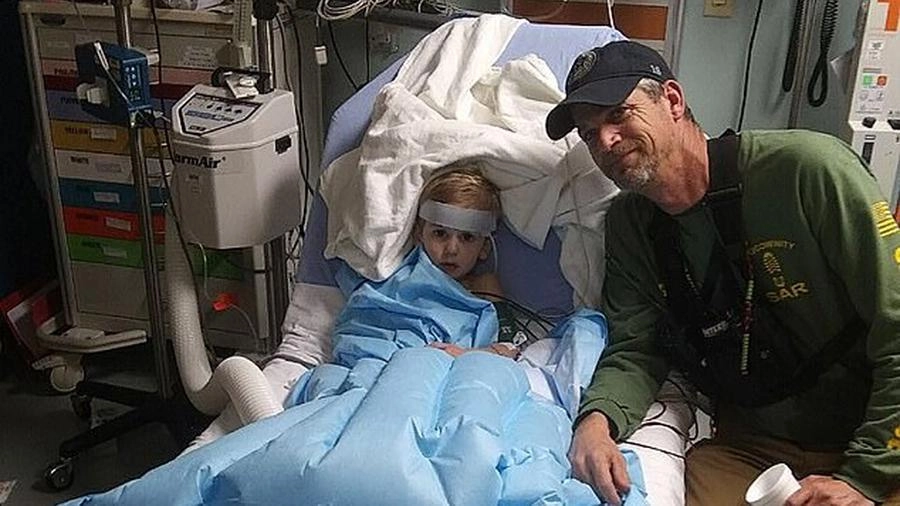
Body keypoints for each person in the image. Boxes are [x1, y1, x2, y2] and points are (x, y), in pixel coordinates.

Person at [544, 40, 900, 506]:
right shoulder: (630, 225)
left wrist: (864, 478)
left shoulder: (808, 171)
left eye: (619, 114)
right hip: (750, 448)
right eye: (590, 134)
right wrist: (597, 420)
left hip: (873, 431)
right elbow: (637, 346)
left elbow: (896, 325)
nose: (606, 141)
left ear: (673, 101)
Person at [413, 164, 522, 359]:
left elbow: (509, 346)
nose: (451, 250)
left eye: (467, 237)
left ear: (484, 248)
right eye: (440, 233)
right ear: (419, 235)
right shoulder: (399, 278)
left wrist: (465, 354)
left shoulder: (483, 286)